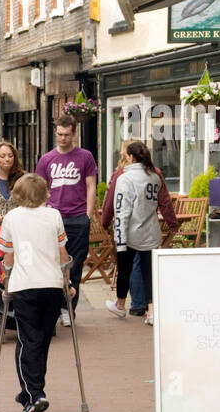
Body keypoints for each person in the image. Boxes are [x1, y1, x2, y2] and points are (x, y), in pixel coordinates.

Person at [0, 174, 72, 412]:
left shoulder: (11, 218)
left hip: (25, 287)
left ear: (17, 195)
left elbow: (8, 258)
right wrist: (67, 283)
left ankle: (34, 394)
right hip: (51, 286)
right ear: (44, 194)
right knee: (40, 341)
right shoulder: (54, 216)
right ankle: (29, 391)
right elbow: (63, 256)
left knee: (26, 341)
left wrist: (5, 285)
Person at [101, 147, 177, 317]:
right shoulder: (155, 177)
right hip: (151, 231)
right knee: (149, 273)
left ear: (131, 157)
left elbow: (122, 210)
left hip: (130, 233)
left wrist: (119, 239)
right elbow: (163, 202)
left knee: (125, 270)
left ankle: (120, 305)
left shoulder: (125, 178)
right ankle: (151, 311)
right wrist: (173, 225)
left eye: (126, 155)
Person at [36, 115, 97, 326]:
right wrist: (42, 215)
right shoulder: (46, 159)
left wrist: (88, 215)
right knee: (53, 264)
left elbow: (91, 186)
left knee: (75, 265)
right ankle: (54, 307)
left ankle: (68, 309)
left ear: (74, 133)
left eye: (67, 135)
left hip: (78, 217)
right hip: (54, 217)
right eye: (59, 134)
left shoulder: (85, 156)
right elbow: (40, 190)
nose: (62, 139)